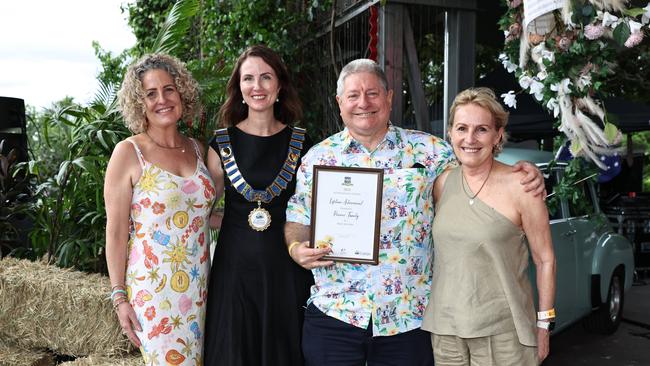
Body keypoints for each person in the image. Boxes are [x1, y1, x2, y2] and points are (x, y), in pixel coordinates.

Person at [284, 59, 546, 366]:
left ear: (390, 98)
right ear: (340, 102)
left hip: (409, 318)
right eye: (353, 95)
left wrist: (521, 175)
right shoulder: (317, 158)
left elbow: (479, 176)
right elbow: (298, 218)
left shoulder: (431, 152)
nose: (363, 103)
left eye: (373, 93)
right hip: (337, 313)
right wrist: (296, 248)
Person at [421, 87, 556, 365]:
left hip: (505, 333)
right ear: (450, 133)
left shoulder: (522, 185)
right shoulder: (442, 183)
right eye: (461, 128)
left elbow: (545, 260)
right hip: (446, 330)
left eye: (481, 129)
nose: (470, 139)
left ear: (497, 135)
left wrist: (544, 325)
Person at [203, 45, 314, 366]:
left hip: (286, 267)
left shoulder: (302, 143)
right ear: (239, 87)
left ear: (280, 85)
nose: (257, 86)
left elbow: (311, 209)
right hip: (234, 269)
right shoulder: (222, 143)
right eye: (248, 78)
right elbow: (203, 212)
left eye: (266, 77)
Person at [105, 53, 216, 365]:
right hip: (154, 292)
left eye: (169, 89)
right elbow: (114, 233)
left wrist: (258, 216)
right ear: (139, 103)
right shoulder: (129, 153)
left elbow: (202, 217)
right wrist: (119, 297)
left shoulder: (198, 148)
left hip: (200, 287)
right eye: (150, 94)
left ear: (182, 93)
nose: (162, 100)